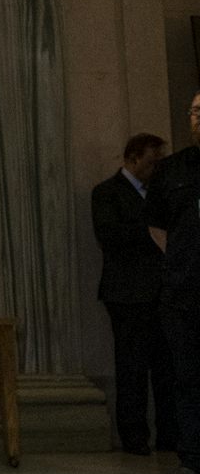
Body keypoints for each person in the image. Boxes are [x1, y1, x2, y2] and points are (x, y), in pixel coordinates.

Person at [91, 132, 173, 454]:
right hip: (126, 294)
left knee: (167, 369)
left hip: (161, 292)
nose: (156, 170)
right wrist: (149, 231)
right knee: (132, 368)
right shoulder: (107, 193)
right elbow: (108, 234)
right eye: (152, 163)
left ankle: (170, 435)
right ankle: (134, 436)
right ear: (134, 158)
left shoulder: (160, 194)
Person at [145, 91, 200, 474]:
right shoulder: (174, 169)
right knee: (187, 376)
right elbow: (156, 225)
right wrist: (184, 261)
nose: (198, 119)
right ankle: (193, 460)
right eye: (195, 111)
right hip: (184, 292)